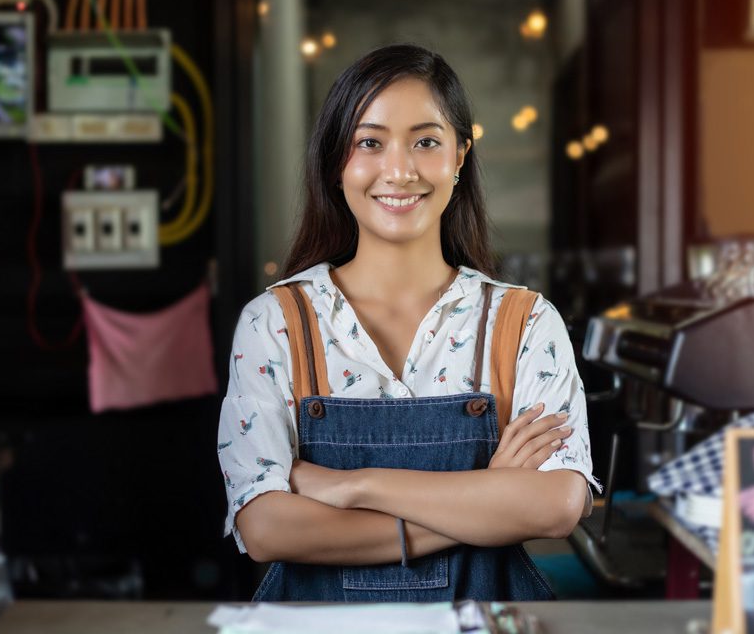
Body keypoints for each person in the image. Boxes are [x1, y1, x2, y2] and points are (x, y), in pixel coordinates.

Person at [217, 44, 599, 602]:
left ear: (460, 156)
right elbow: (265, 528)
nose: (400, 170)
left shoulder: (524, 323)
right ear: (336, 162)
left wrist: (352, 487)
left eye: (426, 141)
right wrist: (487, 500)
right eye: (369, 143)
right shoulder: (275, 323)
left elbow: (557, 505)